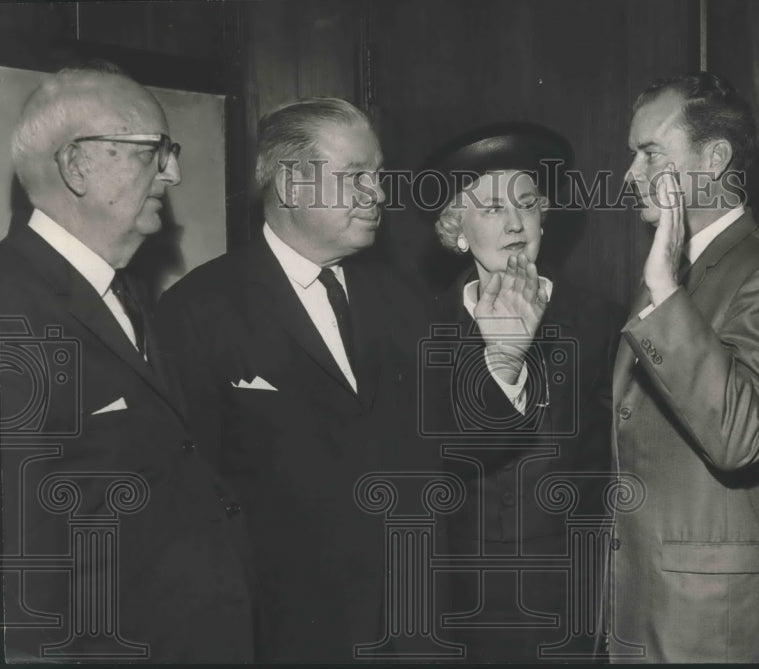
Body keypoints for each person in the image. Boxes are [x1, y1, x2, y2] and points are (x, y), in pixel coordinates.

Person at [154, 97, 435, 662]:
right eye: (356, 176)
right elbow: (188, 506)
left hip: (412, 632)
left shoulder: (407, 301)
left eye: (377, 176)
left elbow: (456, 448)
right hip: (283, 636)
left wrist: (504, 360)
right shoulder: (198, 310)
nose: (377, 194)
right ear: (292, 185)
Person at [0, 63, 254, 662]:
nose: (175, 172)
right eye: (153, 152)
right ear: (77, 165)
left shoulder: (126, 293)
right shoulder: (12, 306)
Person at [606, 72, 759, 663]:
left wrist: (665, 289)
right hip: (645, 606)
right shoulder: (667, 274)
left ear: (714, 159)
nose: (629, 176)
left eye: (650, 155)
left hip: (709, 624)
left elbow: (743, 437)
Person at [424, 122, 622, 662]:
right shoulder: (422, 328)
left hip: (569, 596)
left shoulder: (597, 320)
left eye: (528, 204)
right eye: (491, 209)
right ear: (456, 228)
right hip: (460, 596)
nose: (515, 223)